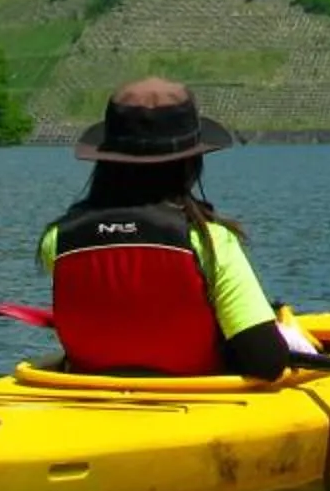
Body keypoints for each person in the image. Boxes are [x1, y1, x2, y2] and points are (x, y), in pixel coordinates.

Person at [39, 77, 297, 380]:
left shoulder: (58, 240)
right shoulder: (209, 240)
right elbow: (266, 361)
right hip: (195, 402)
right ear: (191, 162)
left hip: (91, 395)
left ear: (106, 159)